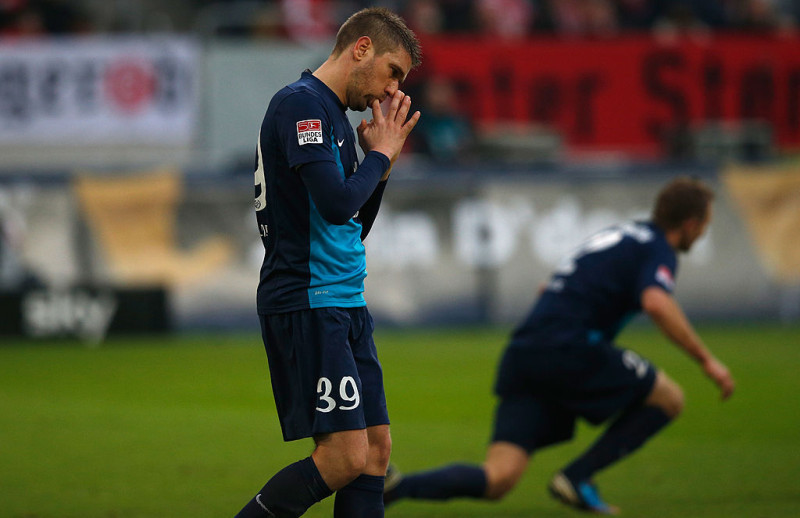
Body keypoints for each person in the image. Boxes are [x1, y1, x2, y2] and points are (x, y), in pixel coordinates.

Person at [384, 176, 735, 515]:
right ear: (690, 224)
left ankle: (393, 488)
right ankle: (578, 476)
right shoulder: (657, 247)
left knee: (499, 477)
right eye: (704, 225)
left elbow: (549, 285)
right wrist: (706, 360)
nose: (702, 233)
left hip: (526, 351)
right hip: (569, 348)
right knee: (669, 398)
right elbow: (656, 302)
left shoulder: (621, 235)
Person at [237, 7, 421, 518]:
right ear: (361, 48)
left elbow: (351, 224)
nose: (392, 90)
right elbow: (338, 204)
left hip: (343, 300)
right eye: (393, 72)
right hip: (309, 299)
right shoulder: (302, 105)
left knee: (375, 451)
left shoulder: (333, 117)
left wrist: (381, 167)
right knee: (343, 457)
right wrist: (379, 156)